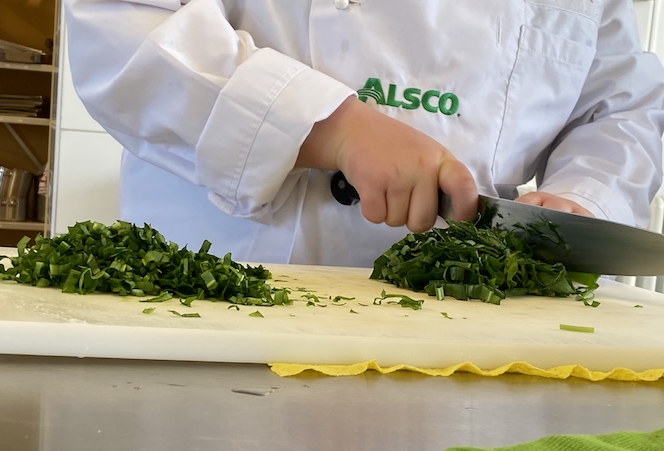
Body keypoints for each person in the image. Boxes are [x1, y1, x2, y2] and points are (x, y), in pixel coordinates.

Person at [62, 0, 664, 267]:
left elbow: (620, 105)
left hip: (471, 329)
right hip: (210, 296)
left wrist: (583, 197)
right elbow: (119, 25)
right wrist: (330, 127)